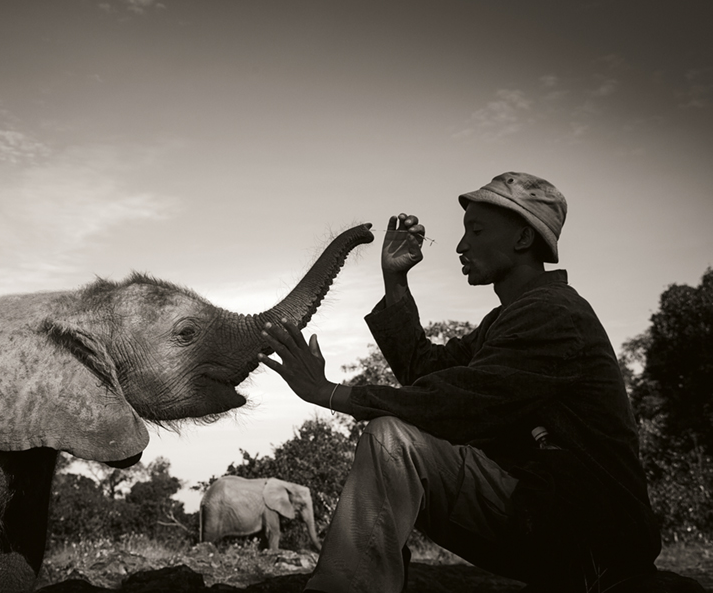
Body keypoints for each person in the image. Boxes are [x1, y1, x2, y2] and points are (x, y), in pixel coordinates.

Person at [259, 172, 662, 592]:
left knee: (390, 439)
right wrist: (396, 279)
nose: (460, 246)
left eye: (477, 230)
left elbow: (454, 404)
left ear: (523, 239)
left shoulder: (554, 313)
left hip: (590, 532)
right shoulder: (509, 318)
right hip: (545, 514)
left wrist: (329, 393)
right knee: (395, 435)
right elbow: (425, 371)